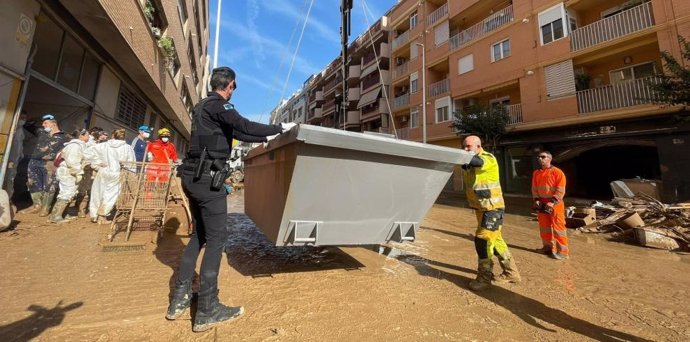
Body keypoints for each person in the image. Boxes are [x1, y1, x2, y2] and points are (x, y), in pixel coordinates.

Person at [166, 66, 295, 332]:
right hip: (206, 180)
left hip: (191, 178)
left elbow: (240, 133)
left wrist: (272, 133)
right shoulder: (219, 106)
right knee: (217, 240)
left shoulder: (202, 107)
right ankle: (208, 309)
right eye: (234, 87)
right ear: (231, 85)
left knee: (199, 236)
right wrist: (281, 126)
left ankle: (180, 298)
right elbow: (244, 124)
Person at [461, 135, 520, 291]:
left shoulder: (487, 158)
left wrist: (458, 156)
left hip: (492, 209)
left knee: (483, 241)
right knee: (496, 242)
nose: (466, 150)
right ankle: (511, 273)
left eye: (469, 147)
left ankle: (484, 277)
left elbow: (478, 162)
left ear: (479, 146)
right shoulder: (469, 162)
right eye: (464, 147)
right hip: (482, 209)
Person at [88, 128, 135, 224]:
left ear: (112, 135)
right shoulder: (127, 148)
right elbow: (131, 163)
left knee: (98, 192)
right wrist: (132, 175)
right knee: (111, 194)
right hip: (117, 173)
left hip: (103, 171)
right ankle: (102, 215)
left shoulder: (103, 145)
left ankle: (94, 215)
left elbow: (87, 153)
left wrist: (97, 163)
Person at [25, 114, 67, 216]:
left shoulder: (64, 136)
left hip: (50, 163)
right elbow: (26, 124)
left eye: (45, 123)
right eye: (42, 123)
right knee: (33, 183)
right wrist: (36, 119)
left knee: (50, 185)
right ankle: (36, 205)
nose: (43, 125)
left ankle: (45, 207)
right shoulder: (41, 132)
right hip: (34, 161)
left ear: (53, 124)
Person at [531, 151, 569, 260]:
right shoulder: (536, 173)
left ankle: (563, 252)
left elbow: (560, 190)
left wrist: (552, 201)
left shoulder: (557, 172)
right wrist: (536, 199)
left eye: (543, 157)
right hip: (542, 203)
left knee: (558, 228)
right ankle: (547, 248)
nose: (540, 159)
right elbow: (534, 188)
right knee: (544, 228)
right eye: (539, 157)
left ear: (549, 159)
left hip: (555, 204)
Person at [49, 129, 90, 223]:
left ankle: (64, 214)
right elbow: (72, 161)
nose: (89, 137)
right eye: (87, 135)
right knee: (66, 193)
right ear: (81, 136)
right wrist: (78, 172)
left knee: (71, 193)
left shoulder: (79, 145)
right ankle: (55, 216)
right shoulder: (75, 146)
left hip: (70, 172)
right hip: (68, 172)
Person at [74, 127, 104, 218]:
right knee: (81, 189)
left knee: (86, 189)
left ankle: (81, 209)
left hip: (89, 169)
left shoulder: (92, 142)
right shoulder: (84, 144)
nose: (100, 134)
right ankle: (79, 209)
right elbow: (88, 157)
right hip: (83, 169)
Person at [5, 110, 29, 200]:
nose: (23, 120)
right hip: (8, 159)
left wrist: (21, 155)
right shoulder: (11, 129)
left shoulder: (21, 130)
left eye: (25, 119)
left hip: (14, 160)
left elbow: (20, 145)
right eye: (22, 118)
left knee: (10, 178)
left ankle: (8, 198)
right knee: (7, 178)